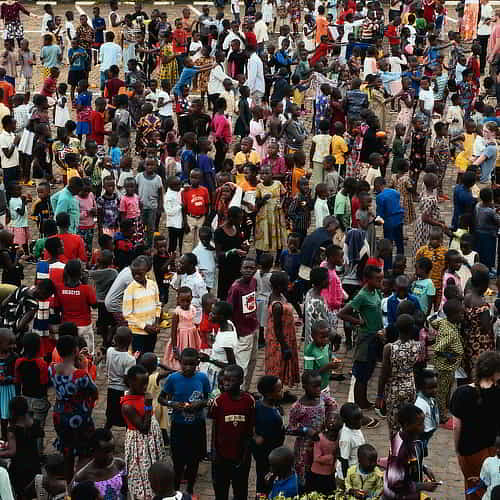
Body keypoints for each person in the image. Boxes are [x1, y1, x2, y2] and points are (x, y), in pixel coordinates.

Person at [159, 348, 210, 494]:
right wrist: (173, 404)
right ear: (179, 362)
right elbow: (161, 398)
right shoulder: (173, 379)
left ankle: (190, 489)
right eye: (185, 364)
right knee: (178, 460)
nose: (188, 368)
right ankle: (175, 490)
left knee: (194, 461)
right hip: (179, 425)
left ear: (197, 363)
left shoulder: (202, 378)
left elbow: (208, 398)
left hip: (197, 425)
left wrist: (199, 404)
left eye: (192, 364)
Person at [49, 335, 98, 483]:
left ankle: (68, 486)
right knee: (84, 452)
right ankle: (81, 483)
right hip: (79, 416)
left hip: (60, 415)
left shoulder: (51, 368)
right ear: (76, 350)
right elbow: (94, 391)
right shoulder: (80, 375)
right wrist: (84, 368)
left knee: (68, 452)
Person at [338, 266, 383, 416]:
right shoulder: (362, 295)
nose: (380, 281)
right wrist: (358, 322)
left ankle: (363, 400)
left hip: (375, 336)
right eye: (377, 279)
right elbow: (343, 313)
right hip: (365, 338)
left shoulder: (375, 291)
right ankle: (359, 403)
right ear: (368, 280)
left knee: (369, 370)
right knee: (361, 371)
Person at [209, 364, 255, 500]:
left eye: (231, 380)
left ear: (241, 381)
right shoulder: (219, 401)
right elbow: (214, 428)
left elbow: (250, 429)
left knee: (240, 491)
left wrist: (246, 454)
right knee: (221, 490)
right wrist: (214, 452)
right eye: (225, 380)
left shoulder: (249, 401)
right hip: (221, 456)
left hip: (241, 455)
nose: (226, 383)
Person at [121, 364, 166, 500]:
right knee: (142, 471)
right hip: (139, 442)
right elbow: (144, 428)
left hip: (151, 440)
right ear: (130, 383)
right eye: (142, 384)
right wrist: (147, 404)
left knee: (154, 465)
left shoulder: (141, 394)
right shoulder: (127, 405)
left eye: (146, 383)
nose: (145, 387)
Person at [376, 313, 423, 439]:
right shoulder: (417, 346)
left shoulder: (389, 348)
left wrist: (380, 395)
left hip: (394, 391)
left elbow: (383, 374)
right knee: (407, 423)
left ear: (397, 327)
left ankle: (395, 454)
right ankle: (407, 451)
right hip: (410, 388)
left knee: (394, 427)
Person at [288, 370, 337, 488]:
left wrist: (330, 419)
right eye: (314, 386)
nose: (318, 389)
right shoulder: (298, 407)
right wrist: (306, 430)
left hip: (321, 445)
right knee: (304, 473)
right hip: (305, 447)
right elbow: (290, 428)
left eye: (319, 385)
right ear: (304, 386)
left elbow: (333, 404)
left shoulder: (322, 398)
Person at [383, 404, 440, 499]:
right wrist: (422, 486)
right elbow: (394, 482)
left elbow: (409, 462)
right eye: (419, 424)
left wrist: (424, 468)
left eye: (423, 423)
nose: (423, 427)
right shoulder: (400, 450)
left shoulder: (412, 439)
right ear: (406, 425)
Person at [431, 299, 464, 429]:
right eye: (460, 314)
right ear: (452, 315)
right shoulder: (449, 333)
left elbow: (433, 322)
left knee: (444, 390)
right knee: (442, 392)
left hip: (446, 367)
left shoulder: (444, 322)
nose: (462, 316)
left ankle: (443, 411)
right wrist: (449, 355)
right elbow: (438, 349)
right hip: (445, 367)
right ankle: (443, 418)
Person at [227, 259, 259, 391]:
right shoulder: (235, 288)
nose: (248, 271)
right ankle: (237, 392)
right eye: (245, 268)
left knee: (252, 362)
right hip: (242, 333)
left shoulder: (253, 282)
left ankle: (246, 391)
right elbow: (229, 311)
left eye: (251, 268)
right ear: (240, 269)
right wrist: (235, 333)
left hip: (253, 328)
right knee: (242, 367)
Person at [54, 259, 97, 354]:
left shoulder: (59, 288)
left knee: (66, 353)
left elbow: (56, 308)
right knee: (86, 355)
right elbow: (94, 304)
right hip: (84, 326)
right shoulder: (86, 289)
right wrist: (86, 284)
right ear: (80, 274)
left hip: (66, 327)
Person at [252, 375, 285, 496]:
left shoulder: (258, 405)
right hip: (269, 454)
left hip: (262, 452)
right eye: (279, 390)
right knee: (265, 481)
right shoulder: (273, 417)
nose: (282, 391)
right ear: (270, 394)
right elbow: (277, 440)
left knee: (262, 478)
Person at [72, 428, 127, 500]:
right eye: (106, 451)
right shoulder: (82, 477)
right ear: (93, 451)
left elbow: (125, 490)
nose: (111, 455)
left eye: (112, 449)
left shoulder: (119, 464)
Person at [122, 257, 161, 354]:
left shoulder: (153, 285)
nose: (136, 276)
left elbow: (158, 305)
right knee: (138, 357)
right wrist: (144, 326)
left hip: (152, 330)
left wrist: (156, 323)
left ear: (146, 271)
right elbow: (127, 314)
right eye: (134, 274)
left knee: (149, 354)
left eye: (140, 273)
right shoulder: (130, 290)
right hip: (137, 332)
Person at [462, 264, 495, 379]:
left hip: (469, 340)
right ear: (483, 285)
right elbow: (486, 327)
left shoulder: (467, 298)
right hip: (481, 343)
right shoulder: (482, 305)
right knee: (481, 371)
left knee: (470, 369)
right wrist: (493, 319)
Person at [105, 327, 135, 431]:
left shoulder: (109, 351)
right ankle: (129, 439)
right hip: (123, 390)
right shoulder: (130, 359)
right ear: (130, 341)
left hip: (111, 388)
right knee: (126, 416)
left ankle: (106, 432)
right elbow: (127, 377)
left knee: (110, 414)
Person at [214, 206, 248, 299]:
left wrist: (245, 248)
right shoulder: (219, 232)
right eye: (239, 218)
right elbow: (219, 255)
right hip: (226, 269)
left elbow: (240, 246)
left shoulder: (237, 228)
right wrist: (233, 251)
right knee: (226, 295)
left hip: (237, 267)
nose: (241, 221)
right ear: (231, 218)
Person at [164, 287, 201, 371]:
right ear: (178, 299)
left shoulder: (193, 309)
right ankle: (181, 369)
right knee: (181, 357)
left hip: (192, 337)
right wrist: (175, 348)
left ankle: (192, 365)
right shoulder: (177, 312)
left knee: (192, 353)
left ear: (191, 298)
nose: (185, 303)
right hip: (181, 338)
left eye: (188, 301)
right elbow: (173, 331)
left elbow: (195, 322)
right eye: (182, 301)